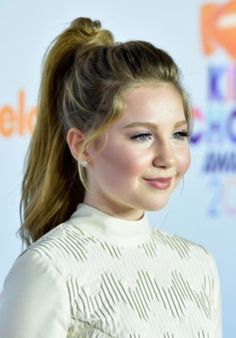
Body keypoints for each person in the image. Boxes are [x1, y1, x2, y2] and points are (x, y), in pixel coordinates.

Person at [0, 17, 222, 338]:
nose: (168, 158)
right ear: (83, 146)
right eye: (142, 136)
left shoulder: (198, 266)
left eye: (179, 134)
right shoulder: (48, 271)